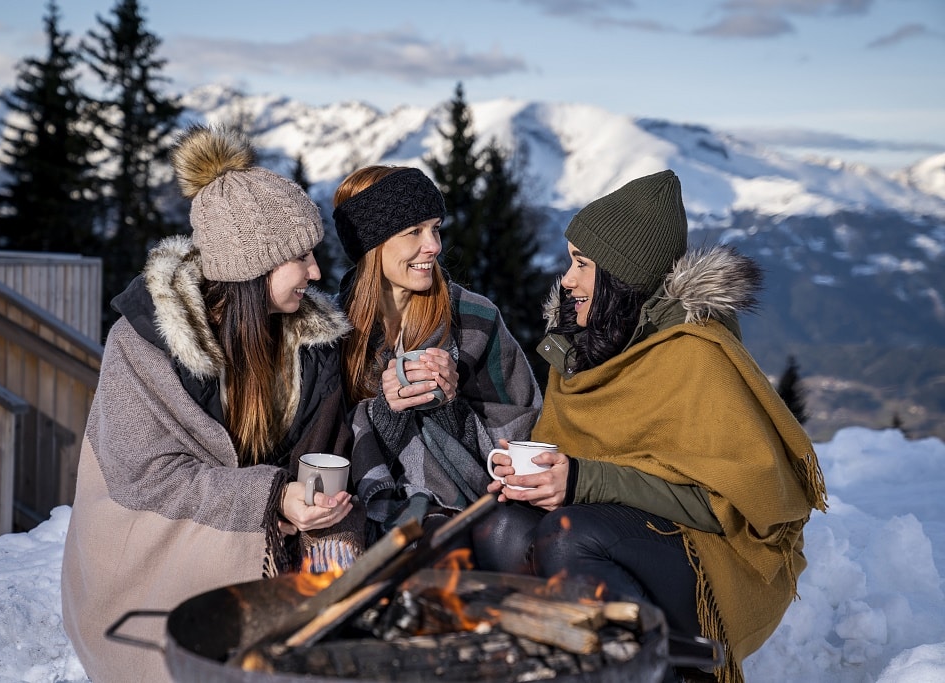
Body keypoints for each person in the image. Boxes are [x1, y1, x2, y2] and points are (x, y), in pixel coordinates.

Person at [475, 170, 827, 683]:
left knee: (571, 535)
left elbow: (727, 505)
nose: (567, 279)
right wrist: (533, 478)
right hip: (620, 538)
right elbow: (572, 454)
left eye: (582, 264)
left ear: (622, 276)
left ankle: (670, 668)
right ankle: (565, 666)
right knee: (499, 527)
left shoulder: (695, 356)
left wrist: (581, 480)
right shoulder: (583, 346)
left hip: (713, 561)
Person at [61, 124, 360, 682]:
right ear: (254, 268)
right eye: (300, 257)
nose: (317, 272)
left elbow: (327, 447)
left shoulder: (307, 342)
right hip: (148, 553)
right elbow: (144, 476)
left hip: (268, 537)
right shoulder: (143, 344)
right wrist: (272, 498)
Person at [331, 165, 542, 539]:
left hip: (473, 511)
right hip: (361, 509)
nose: (434, 246)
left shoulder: (474, 318)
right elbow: (325, 452)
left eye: (436, 228)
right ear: (371, 245)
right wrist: (386, 411)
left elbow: (522, 435)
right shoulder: (331, 332)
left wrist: (448, 407)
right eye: (414, 231)